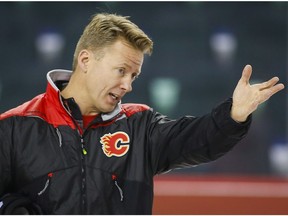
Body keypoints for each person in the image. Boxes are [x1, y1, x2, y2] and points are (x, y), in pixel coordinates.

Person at [0, 13, 284, 215]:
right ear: (85, 60)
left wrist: (234, 114)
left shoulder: (140, 126)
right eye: (121, 70)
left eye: (134, 75)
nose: (128, 85)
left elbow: (197, 139)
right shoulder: (13, 128)